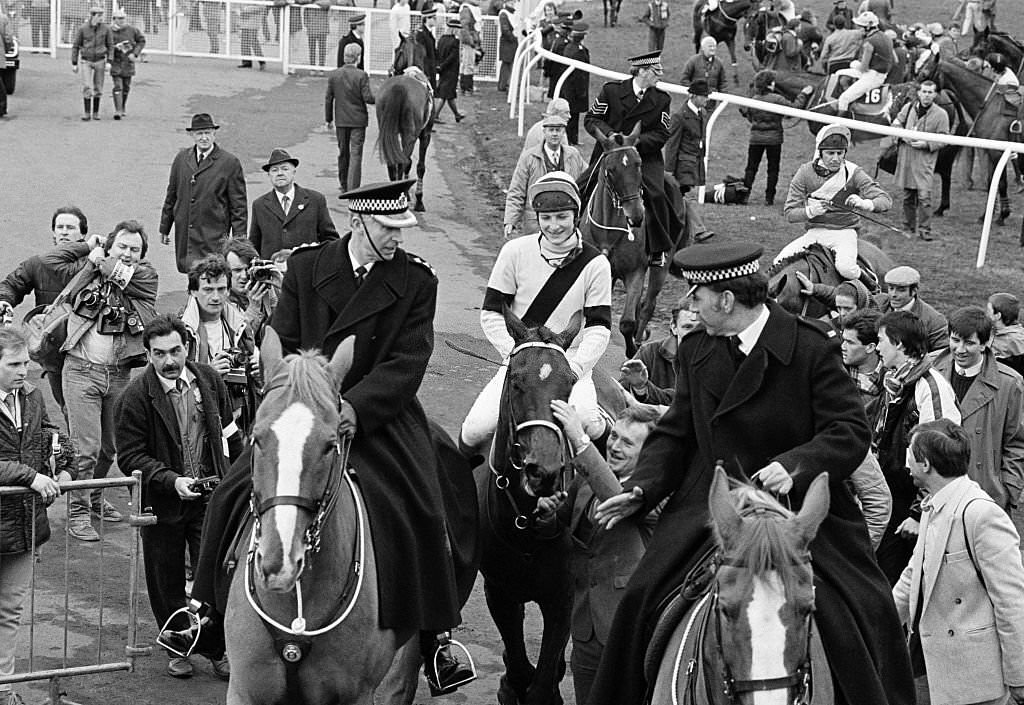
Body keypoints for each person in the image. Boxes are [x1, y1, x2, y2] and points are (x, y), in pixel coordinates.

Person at [162, 180, 476, 696]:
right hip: (305, 407)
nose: (396, 238)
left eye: (399, 229)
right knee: (230, 493)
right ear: (359, 223)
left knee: (425, 503)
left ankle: (436, 634)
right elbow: (284, 336)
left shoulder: (417, 280)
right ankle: (204, 610)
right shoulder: (308, 266)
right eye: (386, 228)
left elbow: (408, 360)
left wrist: (355, 405)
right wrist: (296, 395)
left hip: (375, 412)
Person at [588, 241, 915, 705]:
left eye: (696, 297)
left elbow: (848, 429)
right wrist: (643, 486)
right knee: (640, 599)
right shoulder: (697, 348)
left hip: (798, 508)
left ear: (725, 299)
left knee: (866, 609)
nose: (689, 306)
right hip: (714, 506)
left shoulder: (810, 346)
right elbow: (677, 432)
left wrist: (797, 464)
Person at [116, 314, 237, 680]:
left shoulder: (210, 379)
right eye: (159, 354)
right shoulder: (135, 397)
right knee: (165, 579)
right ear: (148, 355)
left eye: (175, 351)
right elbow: (130, 456)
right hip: (161, 505)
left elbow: (230, 432)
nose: (169, 361)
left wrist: (233, 478)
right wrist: (172, 481)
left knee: (213, 575)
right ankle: (177, 647)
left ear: (187, 347)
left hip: (210, 498)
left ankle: (216, 648)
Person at [461, 171, 613, 455]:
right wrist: (517, 352)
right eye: (546, 218)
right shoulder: (514, 252)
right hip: (521, 362)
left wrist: (576, 368)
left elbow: (599, 327)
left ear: (575, 215)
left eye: (562, 217)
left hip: (570, 363)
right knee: (474, 429)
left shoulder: (596, 264)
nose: (554, 226)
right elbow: (492, 313)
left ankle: (610, 485)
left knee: (588, 423)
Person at [893, 419, 1024, 705]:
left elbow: (1010, 600)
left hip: (975, 680)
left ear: (925, 463)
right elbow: (914, 576)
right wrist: (876, 625)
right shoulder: (931, 507)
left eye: (910, 455)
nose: (907, 465)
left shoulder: (981, 514)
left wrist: (1019, 677)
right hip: (929, 665)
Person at [43, 221, 159, 542]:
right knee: (86, 449)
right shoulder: (90, 265)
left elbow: (120, 274)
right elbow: (52, 263)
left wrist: (101, 258)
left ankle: (93, 496)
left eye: (135, 249)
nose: (128, 253)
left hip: (119, 375)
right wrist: (85, 249)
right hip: (80, 371)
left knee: (110, 448)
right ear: (110, 246)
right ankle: (77, 512)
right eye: (122, 246)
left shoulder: (146, 278)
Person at [548, 401, 664, 705]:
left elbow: (616, 498)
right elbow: (559, 526)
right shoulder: (585, 479)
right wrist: (546, 513)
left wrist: (580, 440)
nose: (615, 446)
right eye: (614, 436)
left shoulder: (654, 492)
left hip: (629, 632)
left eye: (628, 442)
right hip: (586, 629)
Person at [0, 327, 68, 705]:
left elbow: (48, 433)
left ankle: (4, 688)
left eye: (26, 362)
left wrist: (65, 460)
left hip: (22, 526)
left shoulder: (32, 396)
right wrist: (31, 476)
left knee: (9, 611)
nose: (23, 370)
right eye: (13, 364)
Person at [873, 310, 961, 585]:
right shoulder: (895, 381)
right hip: (890, 494)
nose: (877, 347)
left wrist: (917, 512)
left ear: (898, 343)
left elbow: (942, 457)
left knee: (901, 585)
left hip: (912, 507)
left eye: (881, 340)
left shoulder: (930, 387)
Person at [931, 306, 1024, 538]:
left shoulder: (1009, 383)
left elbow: (1017, 443)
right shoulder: (931, 369)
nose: (959, 350)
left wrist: (1006, 490)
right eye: (955, 340)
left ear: (985, 343)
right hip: (934, 490)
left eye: (969, 343)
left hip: (984, 495)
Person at [585, 51, 679, 267]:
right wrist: (610, 136)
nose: (659, 77)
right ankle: (574, 236)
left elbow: (662, 134)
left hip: (643, 157)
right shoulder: (612, 91)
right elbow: (592, 119)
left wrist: (634, 143)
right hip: (610, 154)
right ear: (642, 71)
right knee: (584, 185)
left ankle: (658, 248)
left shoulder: (662, 99)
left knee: (656, 194)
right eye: (656, 73)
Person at [0, 207, 92, 413]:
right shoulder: (38, 264)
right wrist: (4, 300)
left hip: (87, 350)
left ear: (83, 234)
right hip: (54, 351)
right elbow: (11, 285)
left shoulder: (93, 265)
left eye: (70, 227)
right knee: (67, 407)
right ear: (53, 233)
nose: (64, 232)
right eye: (60, 227)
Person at [779, 124, 891, 282]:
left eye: (840, 153)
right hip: (814, 232)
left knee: (846, 268)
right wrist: (810, 211)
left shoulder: (853, 173)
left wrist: (866, 204)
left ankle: (872, 285)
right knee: (779, 262)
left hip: (844, 233)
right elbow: (790, 213)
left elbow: (885, 200)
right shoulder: (804, 173)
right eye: (830, 153)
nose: (836, 158)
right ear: (820, 153)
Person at [159, 113, 248, 274]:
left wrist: (239, 243)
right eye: (199, 133)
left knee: (212, 274)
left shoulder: (229, 163)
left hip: (213, 234)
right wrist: (165, 227)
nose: (204, 137)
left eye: (207, 133)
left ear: (214, 134)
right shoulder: (181, 159)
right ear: (192, 135)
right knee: (192, 275)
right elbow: (172, 195)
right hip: (186, 233)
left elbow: (239, 207)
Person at [504, 115, 586, 239]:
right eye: (551, 130)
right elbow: (516, 190)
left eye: (558, 130)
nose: (554, 134)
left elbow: (587, 181)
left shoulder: (573, 155)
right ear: (544, 132)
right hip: (536, 221)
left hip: (566, 222)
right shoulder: (529, 158)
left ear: (563, 132)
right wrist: (510, 221)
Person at [740, 70, 814, 206]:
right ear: (771, 84)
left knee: (751, 167)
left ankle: (745, 194)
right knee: (772, 169)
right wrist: (804, 93)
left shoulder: (754, 99)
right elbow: (795, 108)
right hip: (774, 140)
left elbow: (746, 113)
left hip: (755, 139)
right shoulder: (777, 99)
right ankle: (769, 198)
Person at [248, 149, 339, 257]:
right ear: (269, 175)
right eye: (274, 170)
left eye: (285, 169)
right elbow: (254, 245)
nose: (280, 173)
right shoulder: (260, 205)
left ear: (293, 172)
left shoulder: (315, 200)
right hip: (273, 269)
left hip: (306, 268)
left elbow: (330, 239)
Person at [890, 80, 950, 242]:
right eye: (924, 91)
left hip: (924, 162)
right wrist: (904, 135)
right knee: (908, 196)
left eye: (930, 92)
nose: (926, 95)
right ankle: (907, 227)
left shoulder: (941, 115)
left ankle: (925, 229)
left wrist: (926, 144)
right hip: (907, 159)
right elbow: (896, 124)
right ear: (919, 93)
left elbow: (944, 138)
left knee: (924, 197)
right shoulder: (909, 108)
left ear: (935, 95)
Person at [665, 79, 716, 245]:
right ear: (693, 96)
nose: (707, 99)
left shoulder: (702, 113)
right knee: (688, 197)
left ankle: (678, 228)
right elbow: (672, 145)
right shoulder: (679, 117)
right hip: (682, 166)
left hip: (694, 164)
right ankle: (699, 230)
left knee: (679, 199)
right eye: (704, 96)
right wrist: (669, 171)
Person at [619, 303, 699, 404]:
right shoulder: (649, 353)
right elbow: (620, 393)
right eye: (687, 327)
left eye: (700, 328)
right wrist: (638, 389)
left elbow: (689, 402)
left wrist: (644, 388)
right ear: (673, 327)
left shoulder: (720, 357)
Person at [326, 44, 376, 195]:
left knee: (343, 152)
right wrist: (380, 97)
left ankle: (343, 184)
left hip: (341, 120)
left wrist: (329, 119)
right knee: (356, 154)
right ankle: (353, 189)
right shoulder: (361, 75)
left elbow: (329, 99)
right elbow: (368, 98)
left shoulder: (334, 75)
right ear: (358, 58)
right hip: (358, 121)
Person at [878, 266, 948, 352]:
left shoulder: (934, 321)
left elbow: (942, 354)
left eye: (901, 290)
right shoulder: (879, 304)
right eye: (891, 288)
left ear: (914, 291)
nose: (893, 294)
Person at [222, 238, 279, 342]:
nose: (244, 276)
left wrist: (285, 288)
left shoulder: (266, 289)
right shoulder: (221, 300)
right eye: (237, 270)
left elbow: (284, 330)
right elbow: (238, 342)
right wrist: (253, 309)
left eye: (248, 269)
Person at [837, 11, 894, 114]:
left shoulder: (869, 42)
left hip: (872, 76)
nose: (859, 30)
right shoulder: (887, 37)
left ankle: (840, 124)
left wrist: (854, 64)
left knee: (843, 99)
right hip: (881, 74)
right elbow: (894, 60)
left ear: (868, 27)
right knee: (839, 73)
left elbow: (864, 68)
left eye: (861, 27)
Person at [71, 6, 113, 121]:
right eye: (99, 16)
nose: (101, 18)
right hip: (86, 60)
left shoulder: (106, 29)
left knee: (98, 87)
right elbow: (76, 46)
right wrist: (74, 63)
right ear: (93, 16)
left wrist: (109, 61)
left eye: (102, 16)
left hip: (100, 59)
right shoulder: (83, 28)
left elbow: (110, 45)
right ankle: (86, 112)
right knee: (87, 85)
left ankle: (96, 112)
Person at [108, 8, 145, 120]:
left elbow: (141, 41)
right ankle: (118, 110)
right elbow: (104, 44)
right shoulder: (108, 31)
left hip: (128, 62)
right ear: (114, 19)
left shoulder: (132, 30)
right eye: (119, 18)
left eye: (123, 18)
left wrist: (135, 53)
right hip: (116, 62)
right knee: (118, 85)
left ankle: (122, 106)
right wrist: (112, 49)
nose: (121, 20)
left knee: (126, 87)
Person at [560, 22, 590, 146]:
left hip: (568, 86)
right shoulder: (579, 51)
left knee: (573, 114)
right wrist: (582, 91)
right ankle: (571, 139)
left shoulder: (569, 47)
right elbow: (579, 75)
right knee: (573, 114)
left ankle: (573, 139)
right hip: (575, 88)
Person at [434, 18, 465, 123]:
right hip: (451, 71)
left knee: (449, 94)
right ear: (455, 29)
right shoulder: (455, 41)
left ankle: (457, 115)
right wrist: (443, 66)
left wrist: (439, 66)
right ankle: (435, 115)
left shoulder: (441, 39)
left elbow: (438, 53)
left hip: (442, 70)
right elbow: (452, 57)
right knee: (444, 95)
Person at [988, 293, 1024, 376]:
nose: (986, 314)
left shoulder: (1016, 340)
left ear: (997, 316)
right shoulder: (993, 330)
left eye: (989, 311)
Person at [458, 0, 482, 95]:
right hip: (469, 40)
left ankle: (465, 87)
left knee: (467, 64)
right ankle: (467, 88)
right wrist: (471, 40)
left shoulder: (469, 9)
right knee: (468, 64)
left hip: (471, 39)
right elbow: (464, 27)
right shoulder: (467, 9)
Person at [236, 2, 265, 70]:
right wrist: (240, 11)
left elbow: (261, 6)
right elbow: (239, 6)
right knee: (244, 42)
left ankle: (262, 61)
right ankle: (246, 62)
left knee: (253, 41)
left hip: (253, 22)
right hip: (244, 21)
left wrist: (246, 9)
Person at [497, 0, 517, 91]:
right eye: (511, 2)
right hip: (507, 42)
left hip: (509, 41)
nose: (513, 3)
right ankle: (502, 85)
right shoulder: (504, 13)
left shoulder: (510, 13)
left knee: (508, 64)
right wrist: (512, 38)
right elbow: (505, 29)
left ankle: (504, 84)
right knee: (506, 64)